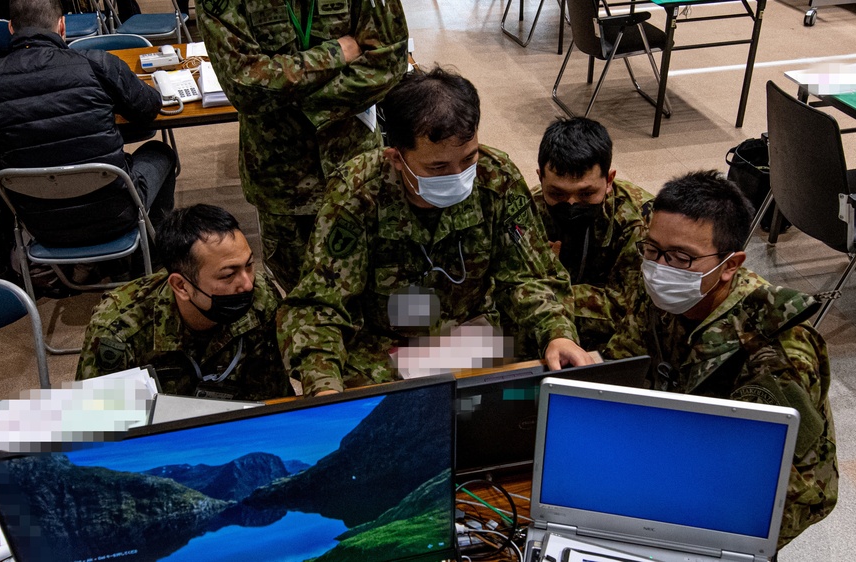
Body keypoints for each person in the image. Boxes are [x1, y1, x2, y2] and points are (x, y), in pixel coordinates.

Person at [278, 67, 593, 396]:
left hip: (475, 334)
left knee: (521, 404)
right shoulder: (358, 193)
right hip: (385, 348)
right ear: (396, 157)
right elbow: (319, 305)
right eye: (438, 167)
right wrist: (324, 389)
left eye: (468, 158)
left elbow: (532, 273)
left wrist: (557, 332)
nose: (458, 175)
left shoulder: (495, 177)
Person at [614, 170, 838, 548]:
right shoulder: (661, 284)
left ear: (730, 265)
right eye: (652, 250)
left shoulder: (776, 350)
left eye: (681, 258)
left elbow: (787, 486)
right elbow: (628, 356)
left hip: (757, 498)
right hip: (675, 444)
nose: (659, 268)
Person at [196, 0, 409, 293]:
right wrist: (336, 53)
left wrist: (285, 93)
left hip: (355, 165)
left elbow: (389, 62)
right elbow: (243, 85)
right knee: (299, 290)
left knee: (376, 279)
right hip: (282, 178)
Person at [0, 0, 176, 248]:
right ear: (62, 26)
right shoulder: (98, 64)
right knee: (160, 152)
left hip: (39, 225)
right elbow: (148, 110)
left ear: (10, 29)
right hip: (116, 213)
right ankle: (155, 253)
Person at [76, 204, 292, 401]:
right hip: (161, 437)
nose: (246, 284)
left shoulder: (262, 298)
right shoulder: (118, 328)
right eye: (228, 275)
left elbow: (274, 400)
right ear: (181, 286)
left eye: (249, 266)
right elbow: (97, 424)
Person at [517, 116, 653, 356]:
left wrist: (550, 291)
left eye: (586, 194)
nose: (571, 204)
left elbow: (629, 308)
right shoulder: (528, 212)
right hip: (549, 330)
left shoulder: (640, 222)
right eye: (557, 193)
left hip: (615, 338)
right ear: (540, 177)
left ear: (609, 180)